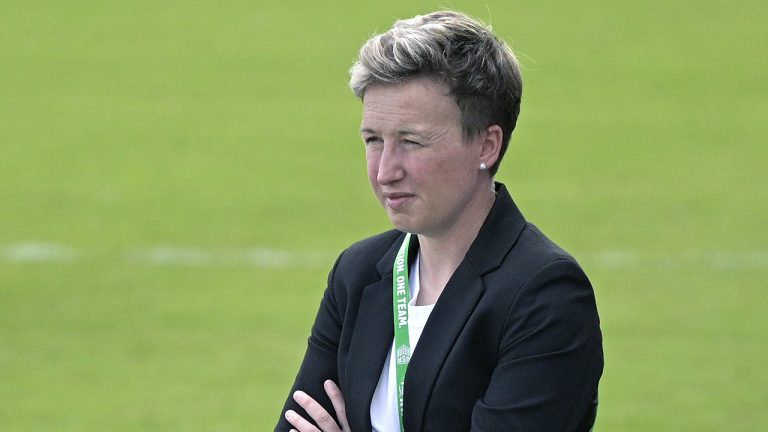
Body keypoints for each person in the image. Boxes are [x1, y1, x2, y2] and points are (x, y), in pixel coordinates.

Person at [275, 10, 603, 432]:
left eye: (411, 142)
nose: (384, 171)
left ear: (486, 144)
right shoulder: (358, 274)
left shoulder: (543, 296)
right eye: (373, 140)